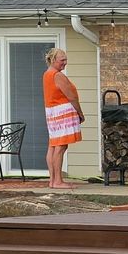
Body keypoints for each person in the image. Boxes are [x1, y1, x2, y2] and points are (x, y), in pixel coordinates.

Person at [42, 46, 84, 188]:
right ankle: (58, 181)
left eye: (66, 59)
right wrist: (80, 113)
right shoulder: (57, 75)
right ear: (53, 60)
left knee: (53, 145)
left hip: (52, 112)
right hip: (62, 112)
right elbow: (71, 96)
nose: (65, 62)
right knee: (60, 146)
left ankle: (52, 180)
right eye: (62, 60)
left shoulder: (47, 74)